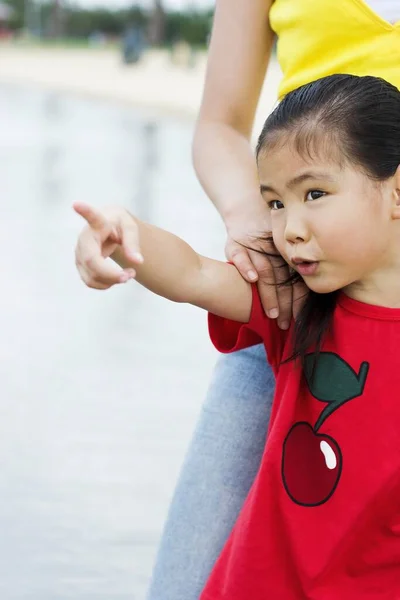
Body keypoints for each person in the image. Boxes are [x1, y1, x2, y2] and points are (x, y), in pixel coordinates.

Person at [74, 1, 400, 598]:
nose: (291, 223)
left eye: (312, 196)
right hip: (297, 291)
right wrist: (130, 235)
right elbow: (196, 272)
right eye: (279, 203)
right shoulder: (298, 310)